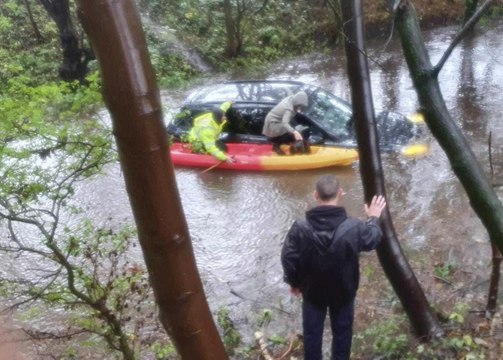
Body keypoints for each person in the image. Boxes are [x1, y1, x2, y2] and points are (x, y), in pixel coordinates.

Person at [281, 175, 386, 360]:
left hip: (312, 293)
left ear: (315, 195)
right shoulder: (354, 227)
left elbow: (288, 258)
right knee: (342, 335)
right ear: (340, 194)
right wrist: (373, 218)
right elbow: (372, 239)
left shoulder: (300, 227)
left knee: (312, 335)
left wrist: (294, 282)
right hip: (343, 292)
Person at [262, 91, 309, 155]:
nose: (300, 107)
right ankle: (276, 146)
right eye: (299, 105)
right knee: (289, 131)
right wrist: (295, 132)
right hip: (273, 123)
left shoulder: (292, 98)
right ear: (296, 103)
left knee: (292, 128)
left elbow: (289, 92)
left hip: (276, 119)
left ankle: (278, 142)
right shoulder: (288, 110)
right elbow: (285, 123)